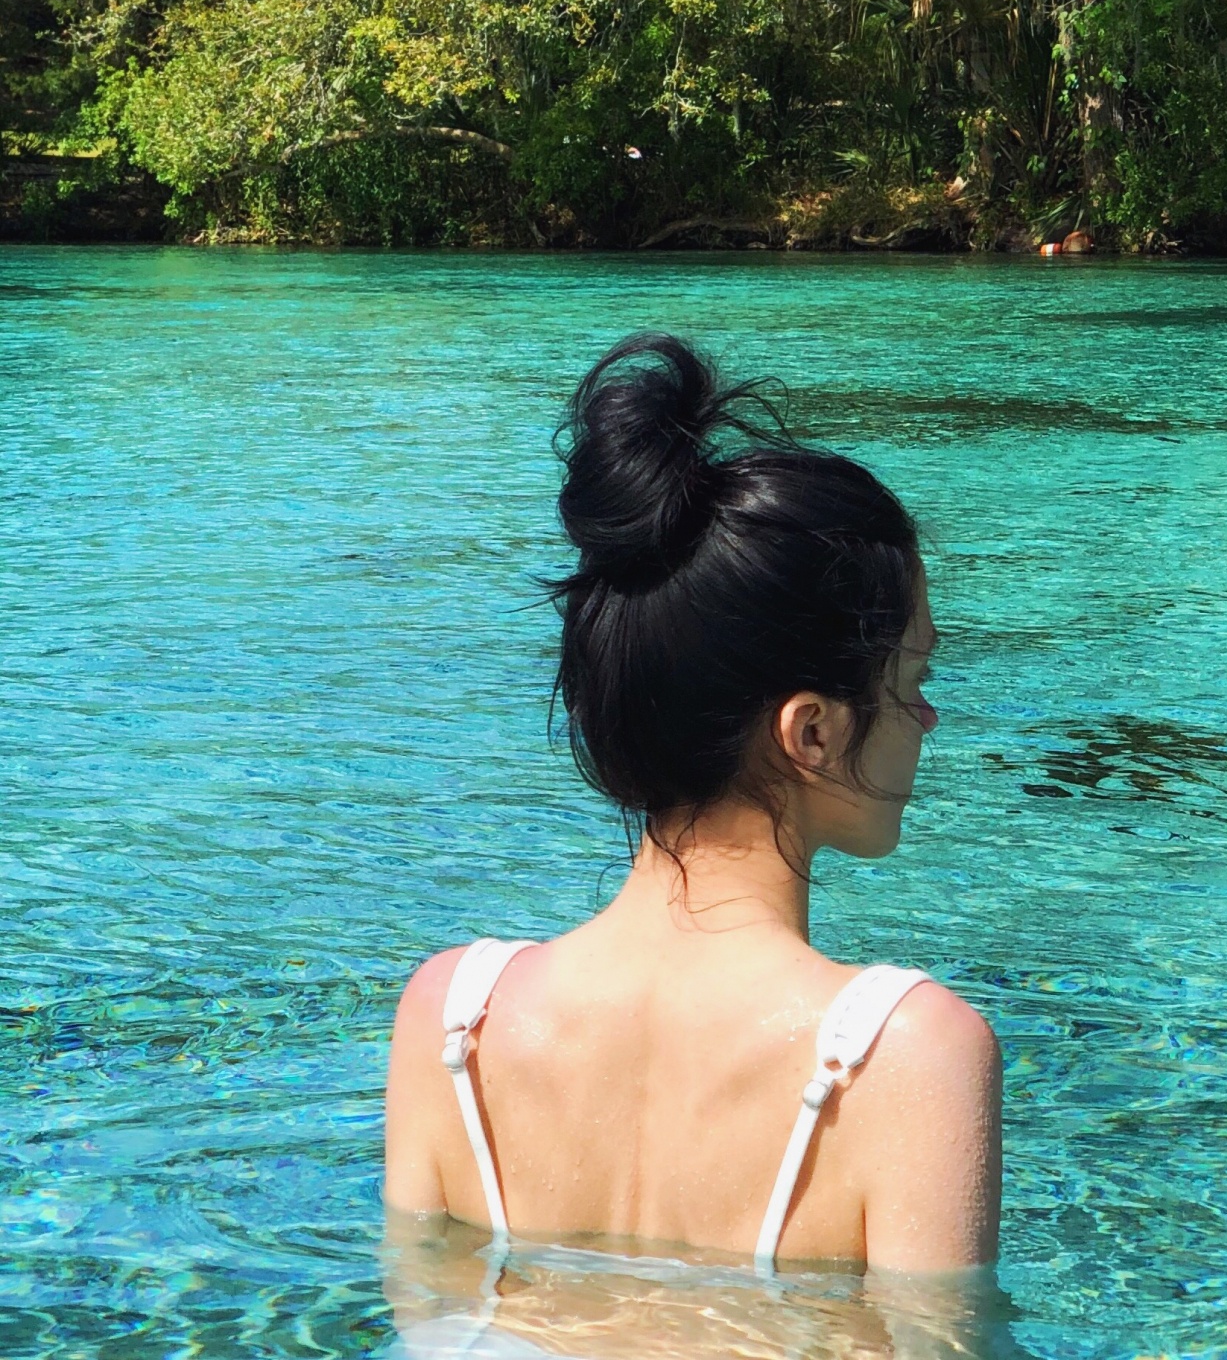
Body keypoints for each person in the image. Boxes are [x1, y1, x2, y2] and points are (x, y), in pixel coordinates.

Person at [386, 334, 1001, 1278]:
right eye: (914, 677)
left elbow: (423, 1315)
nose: (928, 717)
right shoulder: (907, 1055)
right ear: (812, 733)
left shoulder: (450, 1019)